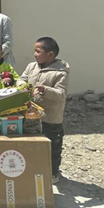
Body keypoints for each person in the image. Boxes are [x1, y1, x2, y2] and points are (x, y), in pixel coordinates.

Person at [16, 37, 69, 184]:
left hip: (50, 117)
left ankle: (52, 173)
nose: (34, 54)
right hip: (31, 114)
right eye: (34, 51)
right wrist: (23, 86)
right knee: (32, 143)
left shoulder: (60, 72)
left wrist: (45, 90)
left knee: (52, 147)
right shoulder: (32, 66)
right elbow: (21, 79)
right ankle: (33, 169)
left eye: (38, 51)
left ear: (50, 54)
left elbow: (61, 94)